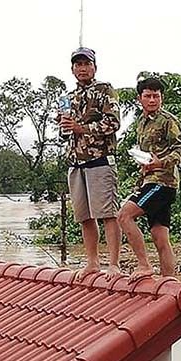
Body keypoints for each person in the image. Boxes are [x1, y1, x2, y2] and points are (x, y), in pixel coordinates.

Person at [59, 47, 122, 280]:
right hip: (75, 162)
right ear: (73, 69)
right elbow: (64, 133)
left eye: (86, 64)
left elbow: (113, 123)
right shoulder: (67, 97)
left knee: (108, 213)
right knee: (84, 216)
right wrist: (65, 127)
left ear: (94, 66)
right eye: (78, 64)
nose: (82, 68)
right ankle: (92, 262)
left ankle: (114, 264)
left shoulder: (105, 90)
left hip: (100, 160)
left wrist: (81, 128)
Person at [117, 77, 181, 282]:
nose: (152, 100)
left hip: (162, 182)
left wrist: (161, 163)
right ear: (140, 99)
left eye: (156, 96)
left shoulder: (168, 120)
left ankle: (144, 265)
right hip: (149, 181)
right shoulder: (141, 123)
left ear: (161, 98)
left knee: (124, 216)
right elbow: (146, 156)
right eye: (148, 96)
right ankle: (169, 283)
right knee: (160, 238)